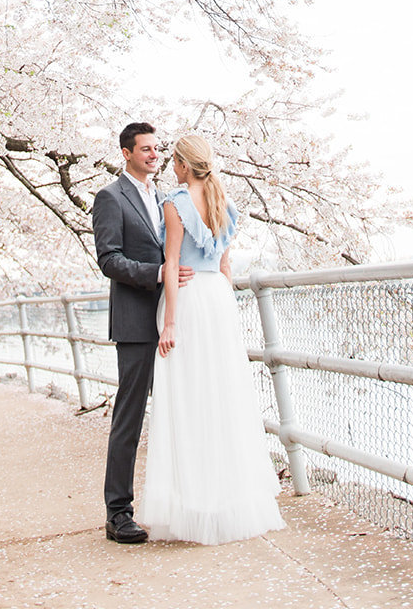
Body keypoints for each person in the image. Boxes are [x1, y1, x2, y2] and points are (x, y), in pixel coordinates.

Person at [139, 132, 285, 545]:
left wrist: (169, 323)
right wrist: (225, 311)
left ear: (184, 165)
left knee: (188, 398)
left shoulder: (175, 203)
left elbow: (171, 264)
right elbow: (225, 267)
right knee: (223, 396)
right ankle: (230, 499)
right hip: (218, 302)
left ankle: (192, 502)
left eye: (174, 161)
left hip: (188, 300)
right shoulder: (226, 204)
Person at [91, 121, 192, 544]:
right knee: (129, 417)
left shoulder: (167, 196)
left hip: (173, 315)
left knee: (179, 408)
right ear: (127, 153)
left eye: (157, 148)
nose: (154, 155)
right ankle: (118, 514)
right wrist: (158, 273)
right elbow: (109, 259)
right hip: (136, 320)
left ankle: (184, 501)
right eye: (145, 149)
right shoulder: (110, 197)